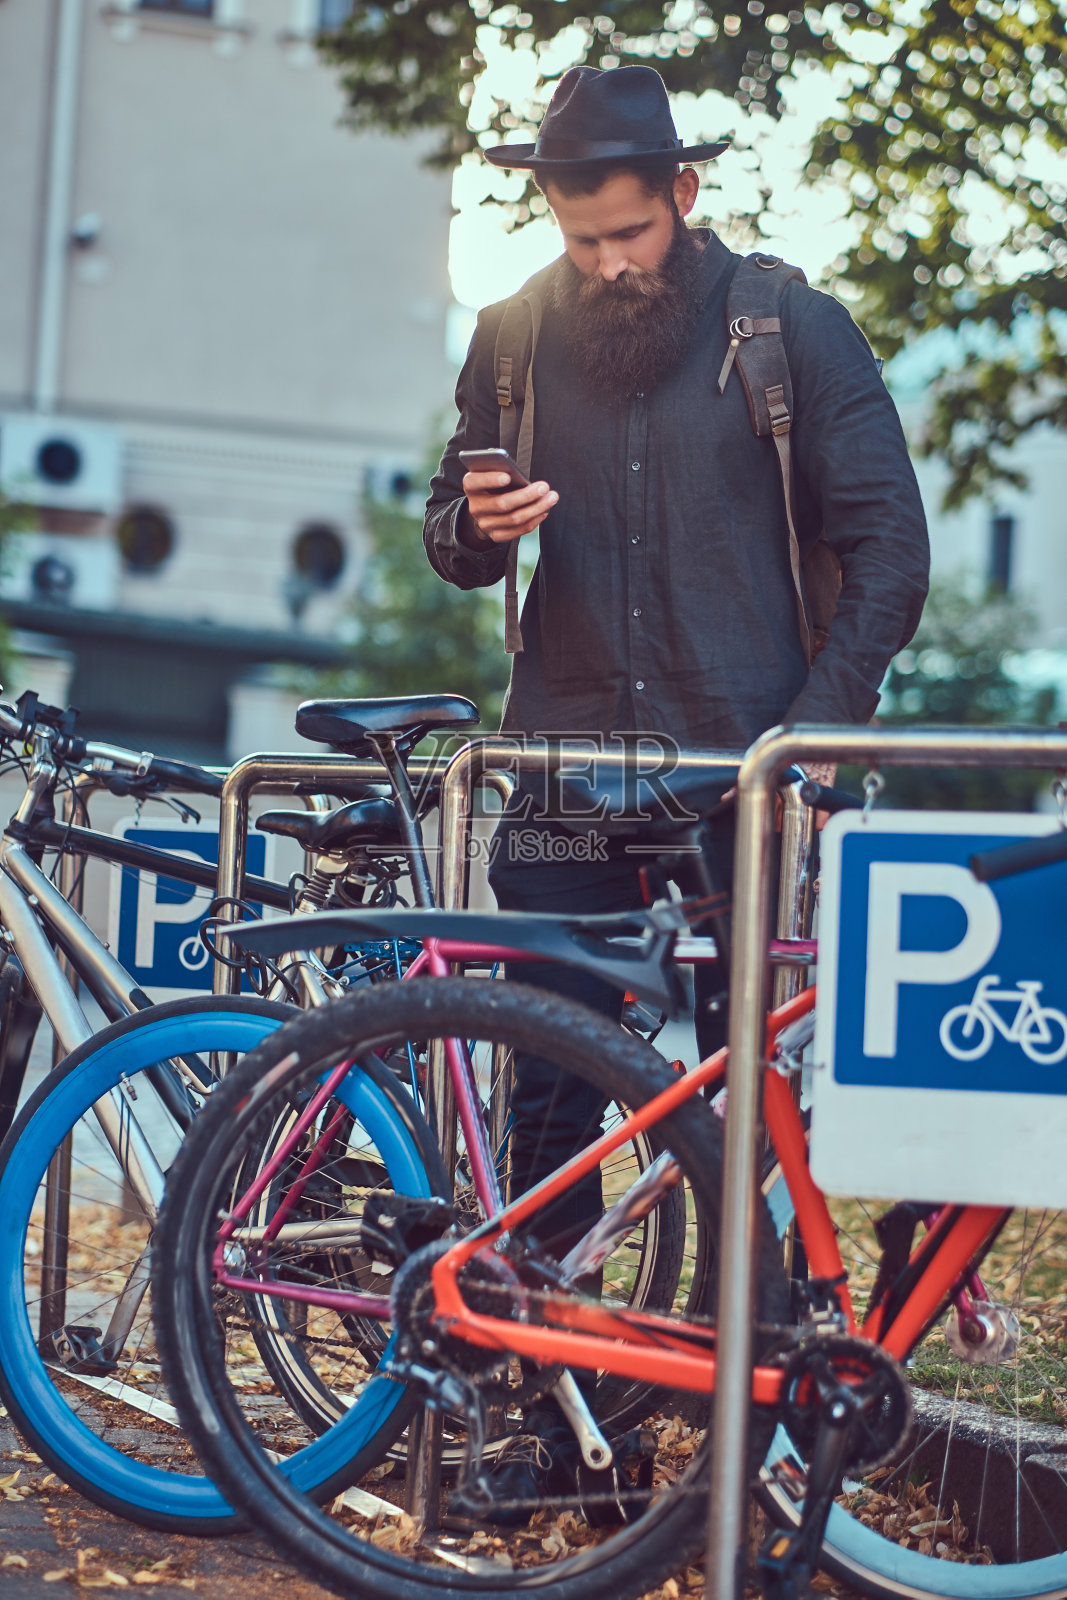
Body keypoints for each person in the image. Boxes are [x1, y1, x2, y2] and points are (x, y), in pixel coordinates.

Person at [423, 62, 929, 1517]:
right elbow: (452, 537)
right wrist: (476, 519)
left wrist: (808, 744)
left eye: (628, 234)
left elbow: (890, 551)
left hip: (738, 782)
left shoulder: (791, 329)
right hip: (571, 769)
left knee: (733, 1121)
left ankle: (723, 1433)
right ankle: (550, 1426)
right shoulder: (512, 333)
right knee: (549, 1103)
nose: (604, 264)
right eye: (581, 238)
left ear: (684, 196)